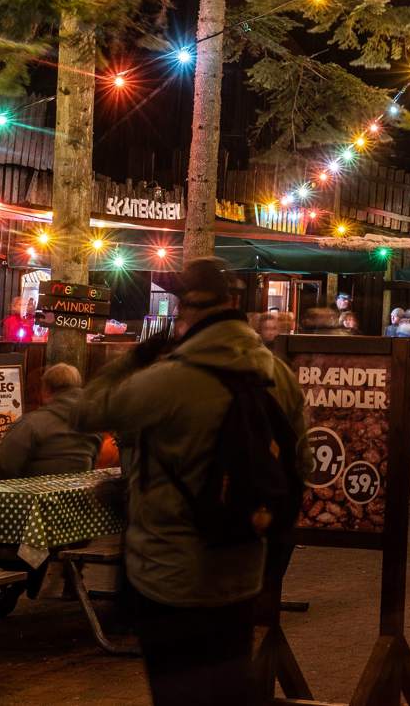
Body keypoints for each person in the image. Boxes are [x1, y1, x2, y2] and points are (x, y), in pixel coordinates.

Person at [72, 257, 306, 706]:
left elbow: (87, 411)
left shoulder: (169, 379)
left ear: (187, 310)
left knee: (177, 693)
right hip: (242, 568)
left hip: (168, 572)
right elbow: (302, 463)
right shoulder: (277, 375)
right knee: (227, 691)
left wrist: (136, 358)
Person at [0, 363, 101, 478]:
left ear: (46, 390)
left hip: (36, 489)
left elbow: (4, 468)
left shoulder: (30, 425)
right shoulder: (94, 424)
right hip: (79, 489)